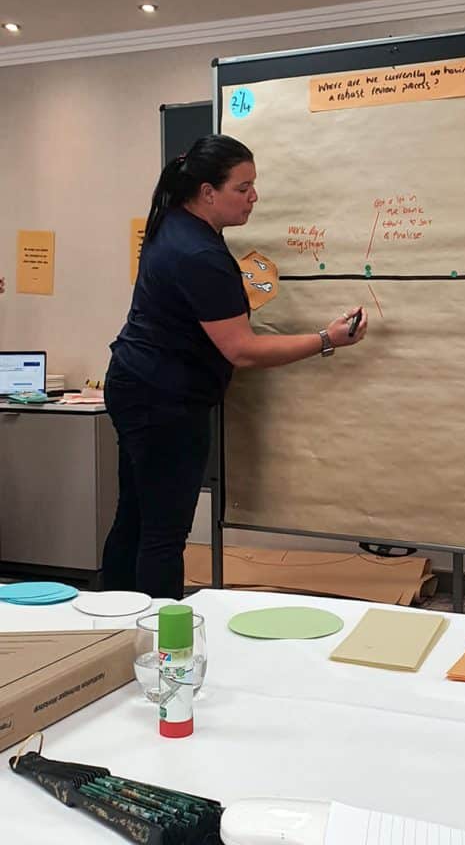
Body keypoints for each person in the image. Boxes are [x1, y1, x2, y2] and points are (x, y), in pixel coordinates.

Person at [102, 134, 367, 600]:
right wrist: (326, 339)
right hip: (163, 401)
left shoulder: (175, 225)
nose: (253, 197)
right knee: (162, 532)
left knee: (137, 517)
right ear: (207, 192)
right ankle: (163, 649)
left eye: (253, 185)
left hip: (137, 385)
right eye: (242, 188)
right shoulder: (199, 253)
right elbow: (241, 350)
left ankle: (115, 626)